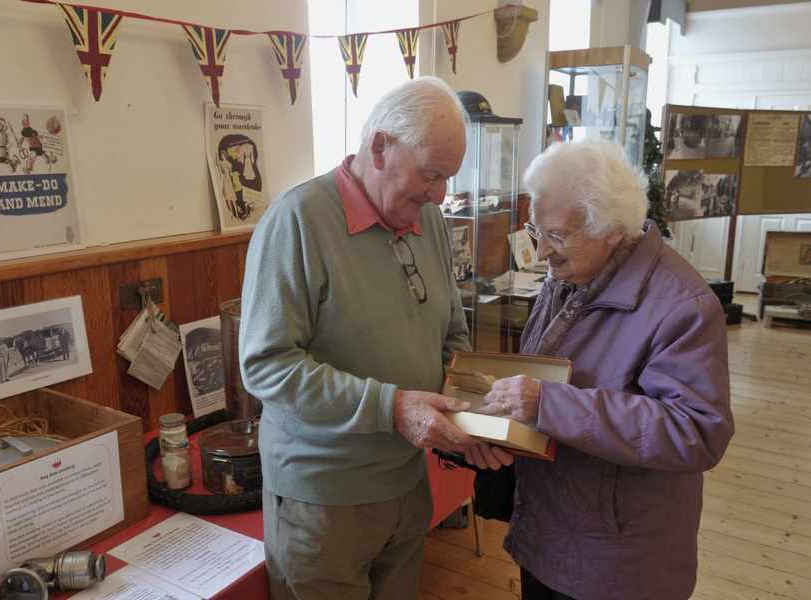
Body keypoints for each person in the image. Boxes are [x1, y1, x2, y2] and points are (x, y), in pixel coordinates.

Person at [463, 138, 734, 600]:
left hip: (618, 560)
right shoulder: (569, 273)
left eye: (557, 236)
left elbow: (698, 432)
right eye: (535, 230)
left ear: (612, 229)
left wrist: (548, 404)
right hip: (551, 531)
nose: (541, 252)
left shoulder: (682, 306)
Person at [239, 77, 477, 600]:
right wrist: (392, 408)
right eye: (432, 175)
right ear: (379, 146)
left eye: (447, 179)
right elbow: (267, 366)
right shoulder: (298, 220)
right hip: (323, 502)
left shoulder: (429, 218)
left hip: (408, 484)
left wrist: (481, 410)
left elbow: (451, 331)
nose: (439, 194)